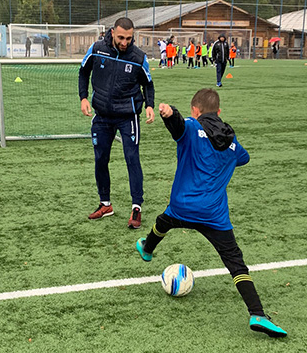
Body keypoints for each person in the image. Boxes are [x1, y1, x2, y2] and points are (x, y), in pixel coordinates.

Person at [135, 88, 287, 338]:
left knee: (165, 220)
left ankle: (148, 248)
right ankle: (257, 313)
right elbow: (244, 158)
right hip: (214, 215)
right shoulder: (232, 142)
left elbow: (177, 124)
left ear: (195, 110)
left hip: (183, 206)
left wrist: (168, 112)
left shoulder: (191, 127)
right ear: (219, 111)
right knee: (236, 265)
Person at [79, 17, 155, 229]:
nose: (125, 42)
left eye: (129, 38)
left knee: (132, 159)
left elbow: (148, 84)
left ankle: (136, 207)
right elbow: (83, 71)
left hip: (127, 116)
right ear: (112, 32)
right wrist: (83, 97)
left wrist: (149, 105)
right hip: (102, 116)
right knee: (101, 158)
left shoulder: (138, 57)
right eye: (121, 37)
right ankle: (105, 204)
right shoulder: (96, 49)